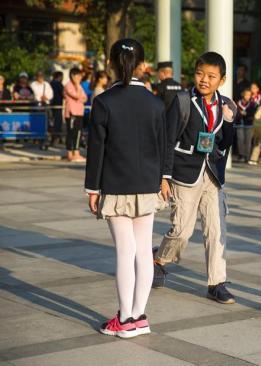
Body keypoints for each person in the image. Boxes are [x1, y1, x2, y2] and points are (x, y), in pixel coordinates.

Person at [85, 38, 167, 338]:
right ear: (143, 65)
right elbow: (164, 146)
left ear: (111, 64)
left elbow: (97, 150)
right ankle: (139, 317)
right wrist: (163, 177)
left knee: (125, 251)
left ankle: (125, 318)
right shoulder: (156, 102)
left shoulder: (104, 102)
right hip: (148, 185)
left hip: (116, 185)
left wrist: (92, 188)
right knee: (143, 250)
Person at [152, 51, 238, 305]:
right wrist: (164, 176)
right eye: (200, 74)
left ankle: (217, 283)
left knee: (216, 229)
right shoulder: (182, 101)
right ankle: (158, 259)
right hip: (184, 173)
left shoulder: (226, 105)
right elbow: (167, 140)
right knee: (181, 230)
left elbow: (227, 143)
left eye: (211, 76)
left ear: (222, 80)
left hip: (212, 175)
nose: (204, 80)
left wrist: (230, 122)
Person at [64, 67, 88, 162]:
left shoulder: (80, 86)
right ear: (73, 76)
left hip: (79, 112)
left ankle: (76, 153)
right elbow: (76, 95)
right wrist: (77, 86)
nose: (80, 77)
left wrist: (79, 97)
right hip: (71, 113)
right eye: (78, 75)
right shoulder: (68, 85)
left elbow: (85, 98)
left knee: (78, 133)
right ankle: (70, 153)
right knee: (71, 133)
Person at [235, 88, 257, 162]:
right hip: (240, 124)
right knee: (240, 140)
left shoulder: (252, 104)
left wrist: (247, 114)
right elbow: (235, 112)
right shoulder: (238, 103)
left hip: (249, 124)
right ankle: (241, 155)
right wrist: (239, 114)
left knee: (248, 141)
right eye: (246, 94)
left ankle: (247, 156)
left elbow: (254, 113)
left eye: (249, 95)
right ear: (243, 94)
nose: (247, 96)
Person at [50, 71, 64, 144]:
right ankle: (56, 138)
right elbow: (63, 94)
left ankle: (54, 138)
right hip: (58, 106)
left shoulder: (50, 83)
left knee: (52, 122)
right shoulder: (59, 84)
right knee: (58, 123)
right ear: (60, 76)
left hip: (51, 105)